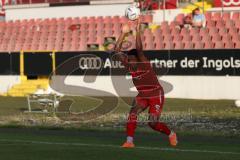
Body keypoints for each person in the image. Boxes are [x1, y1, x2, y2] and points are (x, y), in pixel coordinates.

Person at [114, 18, 178, 148]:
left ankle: (171, 134)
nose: (129, 62)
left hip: (155, 94)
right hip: (142, 95)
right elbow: (116, 51)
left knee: (152, 123)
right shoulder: (129, 65)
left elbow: (139, 49)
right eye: (128, 59)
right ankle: (129, 141)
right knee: (132, 114)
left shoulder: (143, 63)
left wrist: (137, 31)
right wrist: (123, 33)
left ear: (137, 59)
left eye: (131, 59)